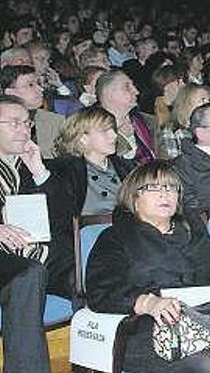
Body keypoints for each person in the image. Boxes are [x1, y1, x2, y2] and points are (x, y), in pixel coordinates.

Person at [86, 161, 210, 373]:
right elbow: (101, 291)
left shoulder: (193, 231)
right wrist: (147, 302)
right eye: (153, 187)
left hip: (206, 319)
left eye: (170, 187)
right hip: (147, 328)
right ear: (134, 198)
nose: (164, 194)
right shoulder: (115, 238)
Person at [46, 107, 135, 297]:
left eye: (113, 129)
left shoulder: (127, 167)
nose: (114, 135)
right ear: (83, 139)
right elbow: (59, 221)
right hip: (87, 250)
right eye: (105, 131)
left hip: (131, 242)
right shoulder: (63, 171)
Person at [0, 95, 52, 373]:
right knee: (29, 275)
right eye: (14, 123)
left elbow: (62, 219)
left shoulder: (30, 166)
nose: (24, 130)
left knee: (81, 272)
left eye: (27, 123)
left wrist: (40, 172)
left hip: (28, 256)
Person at [0, 64, 65, 159]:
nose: (40, 89)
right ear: (10, 92)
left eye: (38, 84)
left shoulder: (56, 121)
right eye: (31, 85)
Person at [96, 69, 158, 165]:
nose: (136, 91)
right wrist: (126, 138)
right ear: (110, 94)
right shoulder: (93, 128)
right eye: (127, 87)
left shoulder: (149, 121)